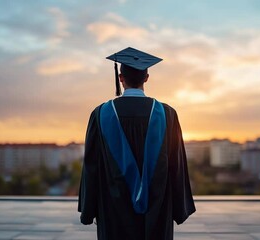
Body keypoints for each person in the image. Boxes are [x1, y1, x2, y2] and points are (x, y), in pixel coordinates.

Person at [78, 47, 195, 240]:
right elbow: (177, 165)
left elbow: (92, 165)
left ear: (121, 79)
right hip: (156, 207)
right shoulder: (167, 114)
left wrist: (89, 209)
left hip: (112, 205)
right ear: (147, 77)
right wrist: (178, 208)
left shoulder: (100, 114)